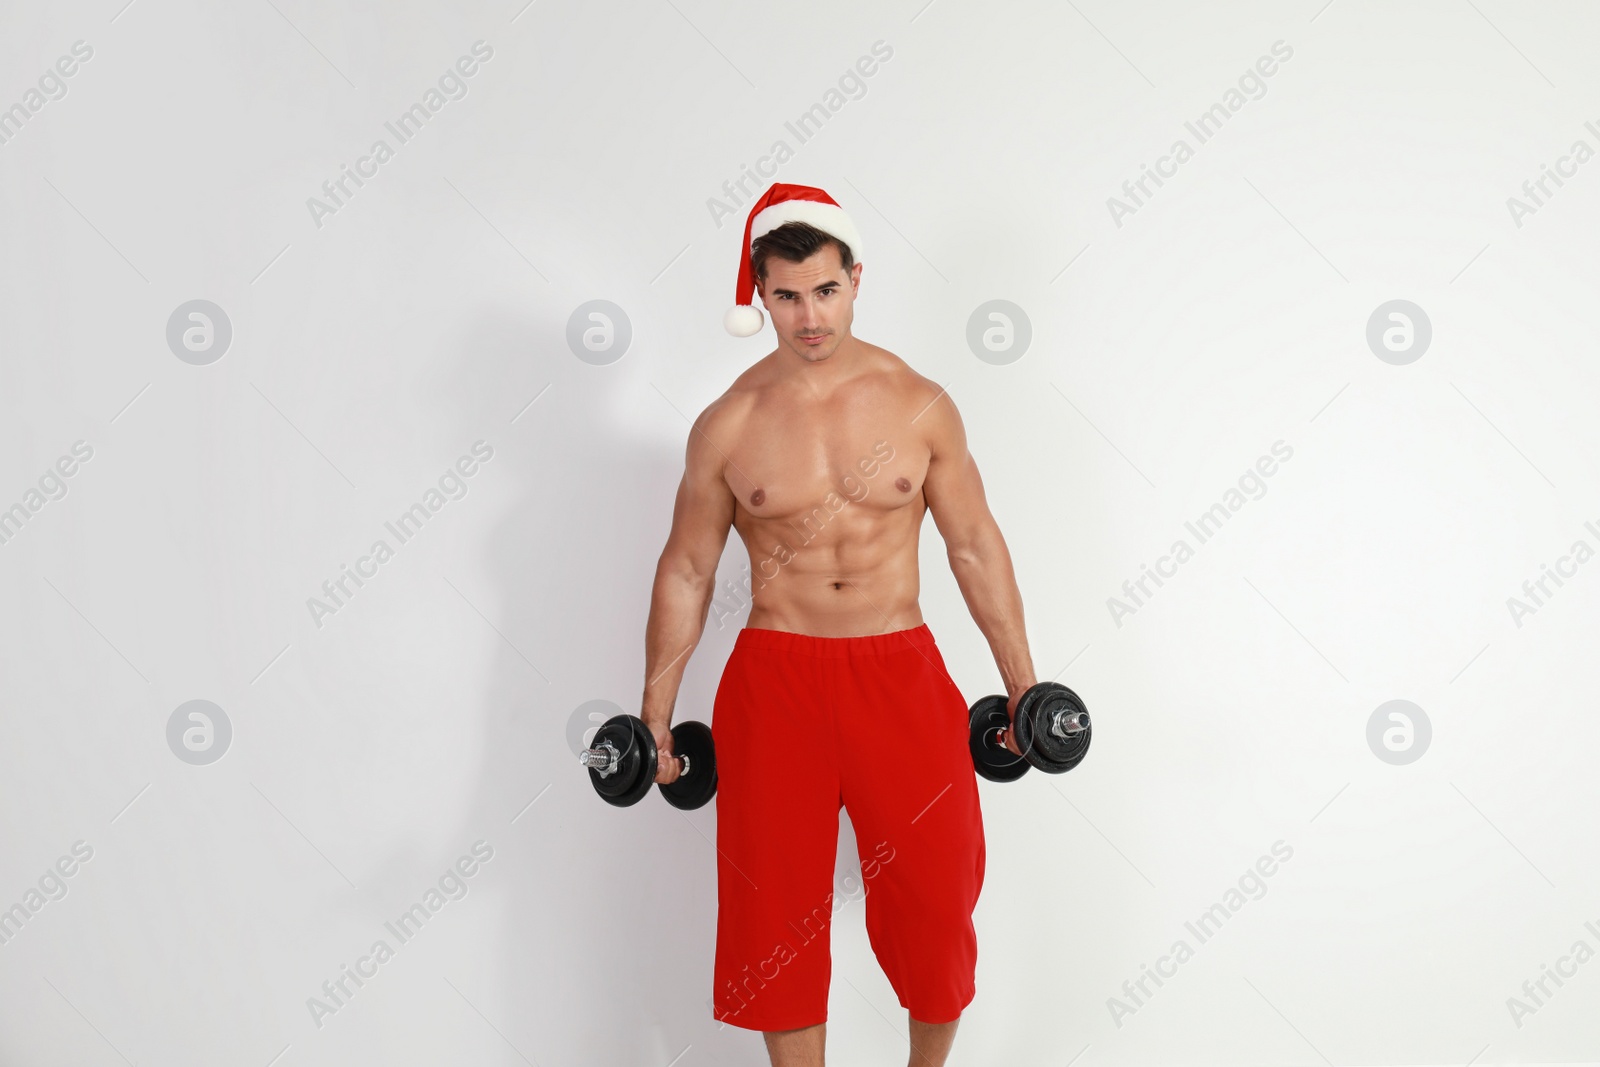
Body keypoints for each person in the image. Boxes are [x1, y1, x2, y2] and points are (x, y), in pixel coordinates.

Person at [639, 183, 1035, 1067]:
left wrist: (1025, 685)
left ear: (857, 279)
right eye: (786, 295)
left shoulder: (920, 404)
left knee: (937, 901)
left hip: (899, 668)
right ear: (759, 296)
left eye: (825, 289)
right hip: (777, 676)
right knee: (773, 916)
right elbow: (690, 568)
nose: (809, 315)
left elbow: (974, 546)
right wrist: (655, 714)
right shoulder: (727, 425)